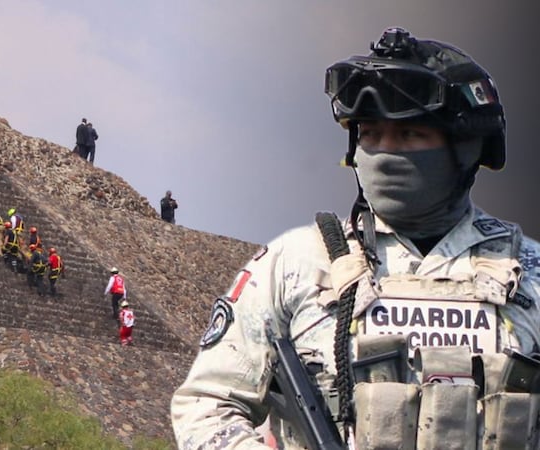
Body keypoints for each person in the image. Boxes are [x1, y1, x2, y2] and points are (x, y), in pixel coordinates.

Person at [171, 27, 540, 450]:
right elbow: (206, 404)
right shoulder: (296, 264)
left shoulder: (529, 275)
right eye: (370, 134)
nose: (385, 151)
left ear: (467, 147)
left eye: (410, 135)